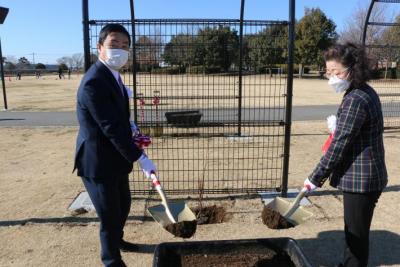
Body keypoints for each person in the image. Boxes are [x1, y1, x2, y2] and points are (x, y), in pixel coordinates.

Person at [73, 23, 157, 267]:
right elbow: (108, 126)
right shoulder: (94, 82)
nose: (120, 49)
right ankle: (111, 260)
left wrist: (131, 128)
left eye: (124, 46)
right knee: (109, 215)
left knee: (123, 205)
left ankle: (118, 241)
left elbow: (118, 118)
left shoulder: (114, 76)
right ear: (100, 47)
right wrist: (139, 157)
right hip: (98, 161)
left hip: (116, 158)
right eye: (113, 44)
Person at [303, 42, 388, 267]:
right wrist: (339, 126)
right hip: (366, 176)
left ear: (353, 68)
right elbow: (351, 133)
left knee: (355, 238)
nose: (332, 77)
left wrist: (315, 178)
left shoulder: (356, 98)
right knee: (354, 231)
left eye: (336, 72)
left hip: (362, 180)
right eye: (328, 72)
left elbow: (340, 144)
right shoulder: (361, 91)